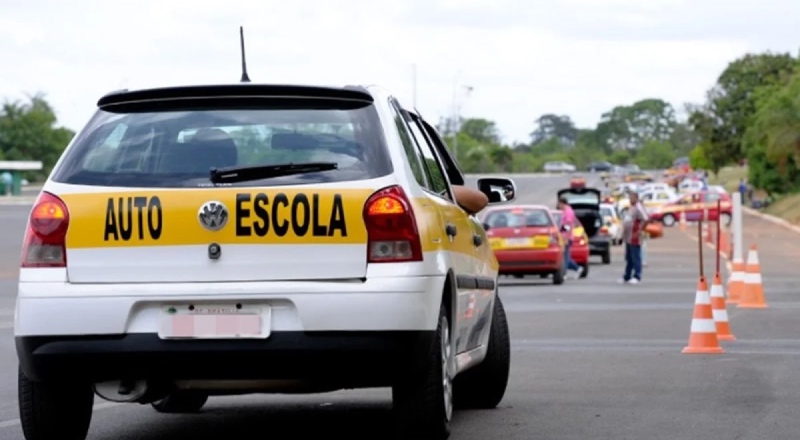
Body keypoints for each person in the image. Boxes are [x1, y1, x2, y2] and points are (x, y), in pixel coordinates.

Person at [620, 191, 650, 284]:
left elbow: (646, 219)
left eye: (631, 198)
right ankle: (627, 276)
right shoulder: (632, 207)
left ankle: (637, 275)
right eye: (629, 198)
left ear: (636, 198)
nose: (630, 200)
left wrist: (640, 230)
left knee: (635, 256)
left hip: (634, 236)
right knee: (629, 257)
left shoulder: (638, 207)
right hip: (628, 237)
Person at [556, 196, 585, 279]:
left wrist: (565, 236)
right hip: (565, 237)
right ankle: (578, 268)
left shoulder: (568, 212)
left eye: (559, 204)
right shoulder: (566, 211)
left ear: (562, 203)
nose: (558, 206)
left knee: (565, 257)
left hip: (567, 237)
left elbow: (568, 225)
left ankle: (565, 273)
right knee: (566, 257)